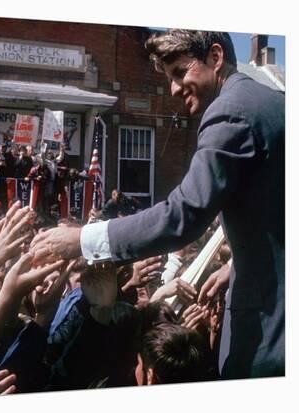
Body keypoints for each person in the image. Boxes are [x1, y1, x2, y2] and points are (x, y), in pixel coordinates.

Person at [31, 30, 284, 379]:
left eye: (180, 72)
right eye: (169, 79)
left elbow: (183, 215)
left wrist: (81, 240)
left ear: (215, 57)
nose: (175, 89)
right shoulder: (275, 103)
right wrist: (239, 264)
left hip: (271, 338)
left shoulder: (230, 112)